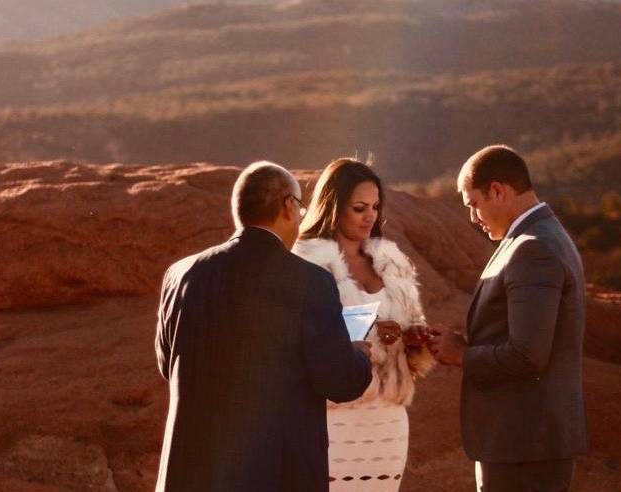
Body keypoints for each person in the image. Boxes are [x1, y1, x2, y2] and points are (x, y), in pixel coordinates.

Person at [154, 161, 373, 492]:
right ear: (288, 206)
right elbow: (339, 380)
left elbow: (168, 365)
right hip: (273, 475)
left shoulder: (181, 274)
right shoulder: (309, 282)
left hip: (190, 474)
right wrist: (359, 355)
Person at [428, 145, 588, 492]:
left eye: (474, 204)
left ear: (497, 191)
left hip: (524, 446)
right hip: (524, 443)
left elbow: (527, 354)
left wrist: (462, 355)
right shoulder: (538, 236)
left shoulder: (534, 248)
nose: (472, 218)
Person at [293, 158, 436, 492]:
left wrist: (412, 340)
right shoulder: (303, 262)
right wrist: (359, 337)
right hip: (331, 419)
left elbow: (414, 352)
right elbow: (295, 343)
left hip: (387, 421)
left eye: (374, 206)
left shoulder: (392, 262)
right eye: (359, 207)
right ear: (334, 206)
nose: (370, 215)